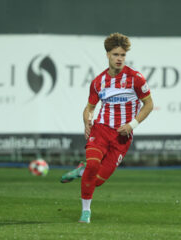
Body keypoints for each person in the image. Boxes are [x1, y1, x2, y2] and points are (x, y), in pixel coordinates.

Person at [60, 33, 154, 223]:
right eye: (115, 55)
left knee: (98, 180)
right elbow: (89, 108)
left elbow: (149, 105)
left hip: (122, 137)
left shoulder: (135, 78)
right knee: (93, 165)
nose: (119, 58)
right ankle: (86, 212)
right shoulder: (98, 82)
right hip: (101, 130)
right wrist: (86, 120)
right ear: (107, 55)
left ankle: (80, 170)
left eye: (122, 55)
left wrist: (131, 124)